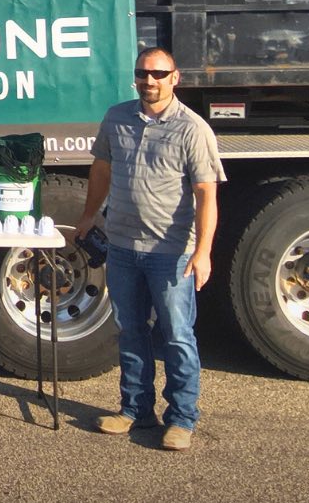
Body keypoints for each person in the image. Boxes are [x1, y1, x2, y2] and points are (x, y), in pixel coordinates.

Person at [74, 47, 225, 451]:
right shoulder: (117, 117)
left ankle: (181, 419)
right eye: (143, 73)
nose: (150, 80)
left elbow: (206, 194)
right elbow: (102, 168)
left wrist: (204, 251)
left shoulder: (193, 130)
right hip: (122, 246)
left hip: (171, 251)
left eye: (159, 74)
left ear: (175, 77)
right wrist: (90, 216)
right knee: (130, 331)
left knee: (176, 336)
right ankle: (135, 411)